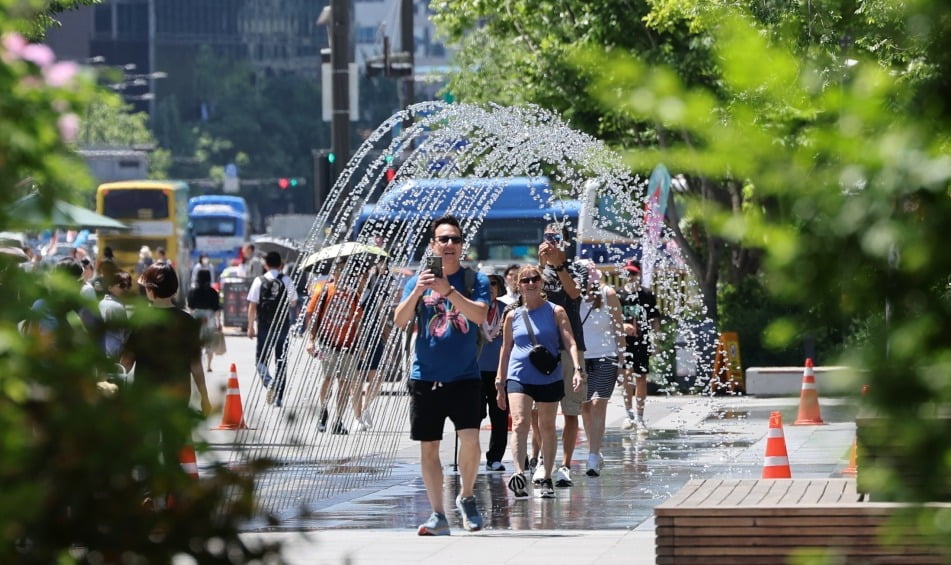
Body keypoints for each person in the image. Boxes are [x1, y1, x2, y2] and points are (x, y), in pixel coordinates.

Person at [393, 215, 489, 536]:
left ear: (462, 246)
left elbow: (479, 315)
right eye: (443, 239)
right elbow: (400, 320)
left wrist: (448, 292)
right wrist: (417, 291)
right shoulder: (417, 281)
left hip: (465, 376)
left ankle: (466, 496)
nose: (449, 245)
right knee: (429, 447)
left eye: (455, 239)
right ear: (433, 244)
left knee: (471, 440)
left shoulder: (475, 280)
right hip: (426, 376)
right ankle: (437, 514)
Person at [496, 265, 583, 499]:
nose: (531, 283)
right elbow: (505, 351)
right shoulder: (512, 316)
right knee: (520, 423)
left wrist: (576, 369)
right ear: (519, 285)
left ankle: (545, 476)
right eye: (525, 280)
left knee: (546, 427)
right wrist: (499, 382)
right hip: (519, 375)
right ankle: (519, 474)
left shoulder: (556, 311)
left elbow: (570, 343)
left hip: (548, 376)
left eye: (535, 279)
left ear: (542, 283)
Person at [121, 263, 212, 478]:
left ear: (151, 291)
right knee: (175, 445)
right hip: (178, 393)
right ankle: (173, 494)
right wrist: (204, 397)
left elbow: (126, 362)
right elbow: (195, 364)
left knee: (146, 444)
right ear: (174, 289)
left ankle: (148, 495)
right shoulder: (187, 321)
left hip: (146, 394)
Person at [534, 221, 587, 488]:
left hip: (570, 348)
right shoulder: (536, 270)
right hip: (541, 349)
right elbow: (531, 296)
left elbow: (574, 292)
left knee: (570, 410)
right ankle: (541, 460)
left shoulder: (577, 267)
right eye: (547, 236)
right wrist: (541, 266)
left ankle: (565, 465)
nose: (551, 241)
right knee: (539, 411)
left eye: (556, 237)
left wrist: (559, 265)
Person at [305, 258, 367, 434]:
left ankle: (338, 420)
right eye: (339, 269)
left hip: (349, 345)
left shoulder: (353, 294)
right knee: (328, 378)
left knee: (345, 383)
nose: (343, 273)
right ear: (334, 272)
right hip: (327, 343)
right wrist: (311, 340)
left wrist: (361, 344)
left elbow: (357, 321)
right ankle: (323, 412)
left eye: (346, 270)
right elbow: (312, 316)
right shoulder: (324, 291)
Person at [577, 260, 625, 476]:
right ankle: (593, 449)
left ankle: (593, 456)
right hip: (581, 357)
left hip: (607, 356)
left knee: (598, 403)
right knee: (585, 407)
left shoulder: (608, 294)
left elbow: (618, 327)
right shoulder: (573, 296)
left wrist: (623, 361)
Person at [246, 251, 298, 407]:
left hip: (264, 325)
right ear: (280, 265)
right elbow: (294, 302)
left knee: (260, 360)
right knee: (280, 361)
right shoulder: (287, 280)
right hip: (282, 325)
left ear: (265, 264)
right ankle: (279, 398)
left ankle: (269, 381)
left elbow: (252, 305)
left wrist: (250, 327)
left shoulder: (258, 281)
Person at [617, 259, 661, 431]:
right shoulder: (619, 294)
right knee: (627, 375)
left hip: (642, 340)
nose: (630, 276)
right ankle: (629, 414)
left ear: (639, 274)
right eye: (628, 273)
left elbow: (655, 319)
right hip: (624, 341)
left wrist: (656, 342)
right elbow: (611, 319)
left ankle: (640, 416)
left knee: (641, 377)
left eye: (633, 273)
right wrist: (622, 326)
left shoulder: (646, 294)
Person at [478, 273, 509, 471]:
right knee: (473, 416)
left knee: (499, 417)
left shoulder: (507, 310)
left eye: (493, 284)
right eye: (486, 284)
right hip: (475, 371)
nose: (490, 287)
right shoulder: (474, 309)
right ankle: (470, 455)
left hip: (499, 371)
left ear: (499, 288)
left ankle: (495, 457)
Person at [188, 268, 223, 372]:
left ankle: (196, 364)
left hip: (196, 318)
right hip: (210, 318)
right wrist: (219, 322)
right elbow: (217, 309)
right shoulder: (213, 292)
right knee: (209, 343)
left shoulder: (193, 291)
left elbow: (190, 307)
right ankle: (208, 365)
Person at [98, 269, 132, 360]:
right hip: (112, 356)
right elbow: (122, 337)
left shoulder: (102, 302)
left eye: (128, 285)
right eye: (122, 285)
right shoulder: (116, 307)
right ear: (110, 287)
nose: (126, 289)